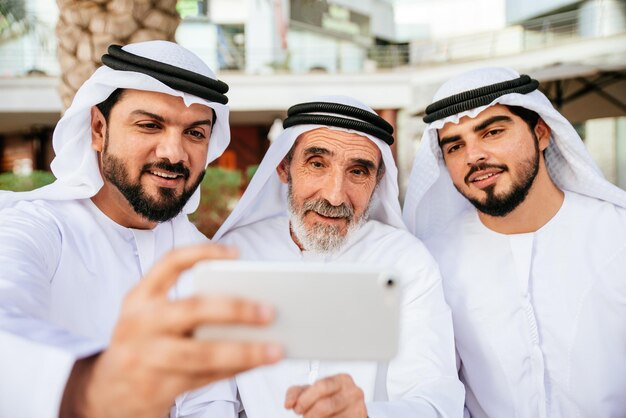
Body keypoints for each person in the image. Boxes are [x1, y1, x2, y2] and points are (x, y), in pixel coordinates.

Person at [0, 41, 282, 418]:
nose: (174, 153)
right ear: (98, 129)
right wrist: (91, 388)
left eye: (195, 134)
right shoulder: (38, 227)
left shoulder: (203, 257)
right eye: (150, 125)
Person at [185, 95, 464, 417]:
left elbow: (435, 397)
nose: (334, 196)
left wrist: (366, 414)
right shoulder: (234, 255)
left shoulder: (406, 261)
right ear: (283, 168)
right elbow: (209, 398)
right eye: (317, 164)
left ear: (377, 183)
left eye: (358, 171)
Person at [402, 67, 626, 417]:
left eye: (492, 131)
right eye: (455, 145)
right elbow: (432, 391)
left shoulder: (617, 235)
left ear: (541, 133)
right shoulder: (432, 262)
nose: (473, 156)